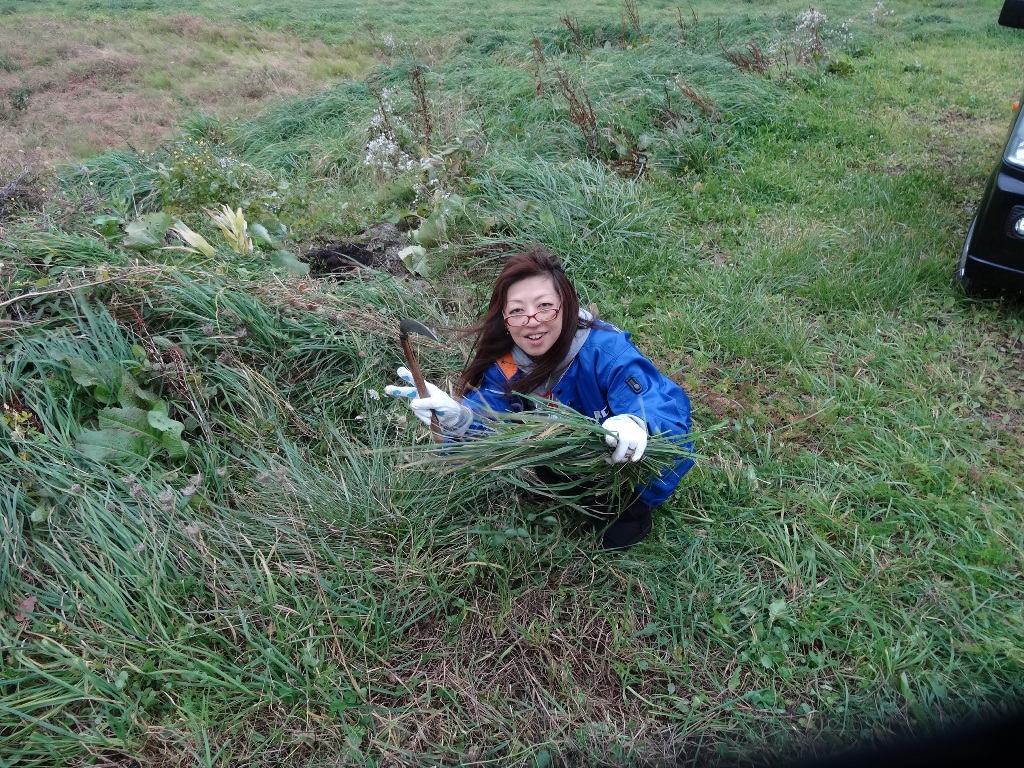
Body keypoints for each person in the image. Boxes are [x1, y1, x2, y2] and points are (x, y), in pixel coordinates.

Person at [385, 245, 693, 549]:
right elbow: (491, 422)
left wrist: (637, 424)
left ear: (566, 305)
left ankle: (629, 510)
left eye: (544, 306)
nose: (532, 320)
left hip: (621, 467)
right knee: (551, 479)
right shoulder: (507, 365)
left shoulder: (605, 352)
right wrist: (457, 419)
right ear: (504, 319)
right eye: (517, 311)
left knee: (619, 528)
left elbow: (662, 406)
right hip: (564, 460)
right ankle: (568, 488)